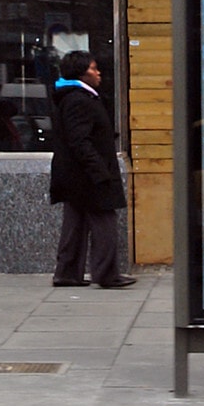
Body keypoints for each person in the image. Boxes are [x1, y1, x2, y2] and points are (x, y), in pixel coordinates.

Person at [49, 50, 136, 290]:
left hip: (76, 175)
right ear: (81, 73)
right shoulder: (79, 100)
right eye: (93, 68)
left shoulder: (74, 97)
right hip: (88, 175)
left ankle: (67, 273)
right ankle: (107, 274)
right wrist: (99, 171)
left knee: (75, 222)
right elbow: (80, 140)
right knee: (104, 220)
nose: (98, 73)